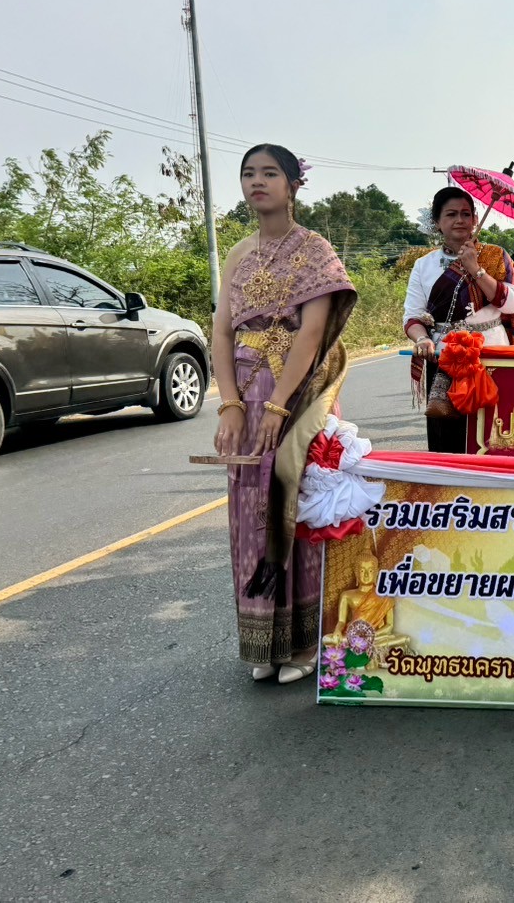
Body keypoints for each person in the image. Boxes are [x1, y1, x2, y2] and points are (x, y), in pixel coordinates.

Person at [212, 144, 358, 684]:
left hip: (298, 395)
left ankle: (304, 644)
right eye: (248, 173)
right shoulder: (238, 253)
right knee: (251, 511)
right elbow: (221, 332)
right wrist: (230, 404)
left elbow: (312, 334)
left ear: (294, 184)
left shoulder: (315, 250)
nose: (257, 181)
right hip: (247, 397)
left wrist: (279, 404)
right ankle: (263, 642)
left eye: (270, 173)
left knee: (298, 505)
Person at [404, 187, 514, 453]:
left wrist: (475, 269)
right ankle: (449, 477)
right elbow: (413, 314)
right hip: (445, 355)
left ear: (475, 219)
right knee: (448, 434)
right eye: (451, 214)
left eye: (466, 214)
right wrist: (421, 339)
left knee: (494, 429)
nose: (460, 220)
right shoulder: (424, 264)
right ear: (437, 222)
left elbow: (512, 304)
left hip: (491, 352)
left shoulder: (495, 255)